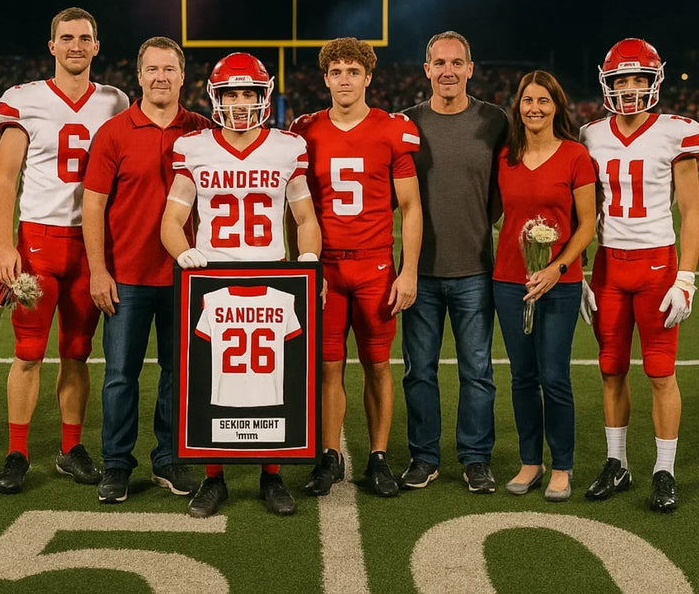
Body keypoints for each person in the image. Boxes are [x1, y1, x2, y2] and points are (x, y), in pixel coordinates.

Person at [161, 51, 321, 518]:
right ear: (216, 98)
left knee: (272, 378)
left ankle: (272, 475)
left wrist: (309, 259)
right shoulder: (194, 147)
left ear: (263, 95)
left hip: (271, 273)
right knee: (213, 378)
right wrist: (182, 251)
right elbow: (172, 219)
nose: (240, 103)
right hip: (211, 277)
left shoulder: (287, 146)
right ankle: (214, 478)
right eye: (231, 94)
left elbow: (304, 216)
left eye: (248, 93)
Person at [0, 7, 129, 494]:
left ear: (96, 46)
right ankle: (17, 451)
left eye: (84, 38)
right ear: (52, 46)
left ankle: (70, 448)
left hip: (91, 248)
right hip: (38, 244)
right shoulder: (24, 99)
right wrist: (4, 243)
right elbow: (5, 177)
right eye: (66, 37)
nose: (76, 45)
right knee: (27, 353)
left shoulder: (115, 102)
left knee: (77, 352)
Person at [289, 37, 421, 497]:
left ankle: (378, 457)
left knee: (378, 366)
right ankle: (330, 456)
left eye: (353, 71)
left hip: (375, 267)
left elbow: (411, 206)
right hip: (326, 270)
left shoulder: (391, 129)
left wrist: (409, 271)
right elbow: (296, 207)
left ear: (369, 76)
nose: (345, 79)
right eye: (336, 71)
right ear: (325, 78)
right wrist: (305, 268)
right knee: (328, 368)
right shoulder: (305, 131)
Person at [82, 36, 211, 504]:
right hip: (128, 275)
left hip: (187, 276)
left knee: (179, 374)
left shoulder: (202, 131)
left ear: (182, 75)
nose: (161, 77)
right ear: (138, 76)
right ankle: (116, 465)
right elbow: (93, 207)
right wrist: (99, 270)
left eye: (169, 69)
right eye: (152, 69)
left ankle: (168, 460)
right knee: (120, 375)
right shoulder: (115, 131)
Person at [580, 38, 699, 513]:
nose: (629, 89)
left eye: (639, 79)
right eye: (621, 80)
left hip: (656, 265)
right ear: (607, 84)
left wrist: (686, 277)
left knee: (660, 371)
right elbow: (582, 211)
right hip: (609, 265)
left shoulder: (678, 131)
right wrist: (580, 272)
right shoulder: (590, 135)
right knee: (611, 368)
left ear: (655, 82)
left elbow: (691, 211)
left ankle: (663, 469)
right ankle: (618, 462)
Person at [401, 31, 508, 493]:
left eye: (456, 63)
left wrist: (478, 226)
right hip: (419, 273)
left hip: (475, 269)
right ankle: (424, 457)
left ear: (470, 68)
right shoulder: (404, 123)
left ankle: (476, 457)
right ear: (426, 70)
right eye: (439, 63)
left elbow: (502, 192)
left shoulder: (494, 120)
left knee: (477, 372)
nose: (448, 70)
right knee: (418, 371)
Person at [492, 70, 596, 502]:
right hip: (509, 281)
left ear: (557, 106)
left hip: (560, 283)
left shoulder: (575, 156)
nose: (534, 108)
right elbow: (495, 213)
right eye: (527, 100)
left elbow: (587, 223)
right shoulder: (504, 156)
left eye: (544, 101)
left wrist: (557, 268)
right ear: (518, 106)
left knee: (554, 377)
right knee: (522, 377)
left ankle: (562, 466)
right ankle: (530, 462)